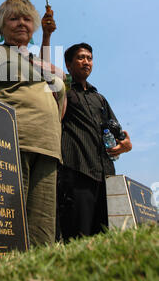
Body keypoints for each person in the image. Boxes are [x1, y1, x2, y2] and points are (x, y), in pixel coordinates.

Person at [0, 0, 65, 246]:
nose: (21, 23)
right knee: (6, 223)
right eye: (13, 18)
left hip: (49, 148)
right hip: (9, 144)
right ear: (1, 25)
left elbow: (59, 101)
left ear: (35, 26)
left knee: (42, 231)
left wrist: (48, 37)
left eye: (27, 18)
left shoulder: (39, 64)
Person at [56, 43, 132, 241]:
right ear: (68, 64)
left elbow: (117, 131)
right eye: (81, 57)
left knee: (104, 235)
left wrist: (125, 145)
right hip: (76, 171)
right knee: (77, 235)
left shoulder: (100, 98)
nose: (86, 62)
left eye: (89, 58)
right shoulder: (63, 91)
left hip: (105, 175)